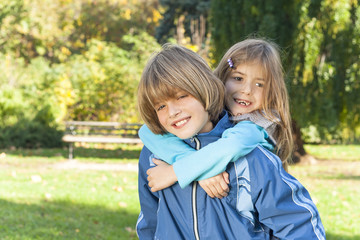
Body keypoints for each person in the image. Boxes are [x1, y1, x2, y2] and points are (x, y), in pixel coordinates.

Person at [136, 43, 326, 239]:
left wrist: (180, 171)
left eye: (182, 96)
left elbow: (298, 224)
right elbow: (150, 223)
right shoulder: (153, 155)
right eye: (160, 107)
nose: (173, 112)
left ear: (205, 88)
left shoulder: (250, 153)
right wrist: (193, 167)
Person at [139, 38, 293, 198]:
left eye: (260, 84)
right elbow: (146, 131)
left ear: (272, 92)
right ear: (221, 78)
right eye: (238, 78)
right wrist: (191, 161)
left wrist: (176, 172)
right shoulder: (212, 116)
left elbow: (232, 146)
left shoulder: (256, 126)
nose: (247, 90)